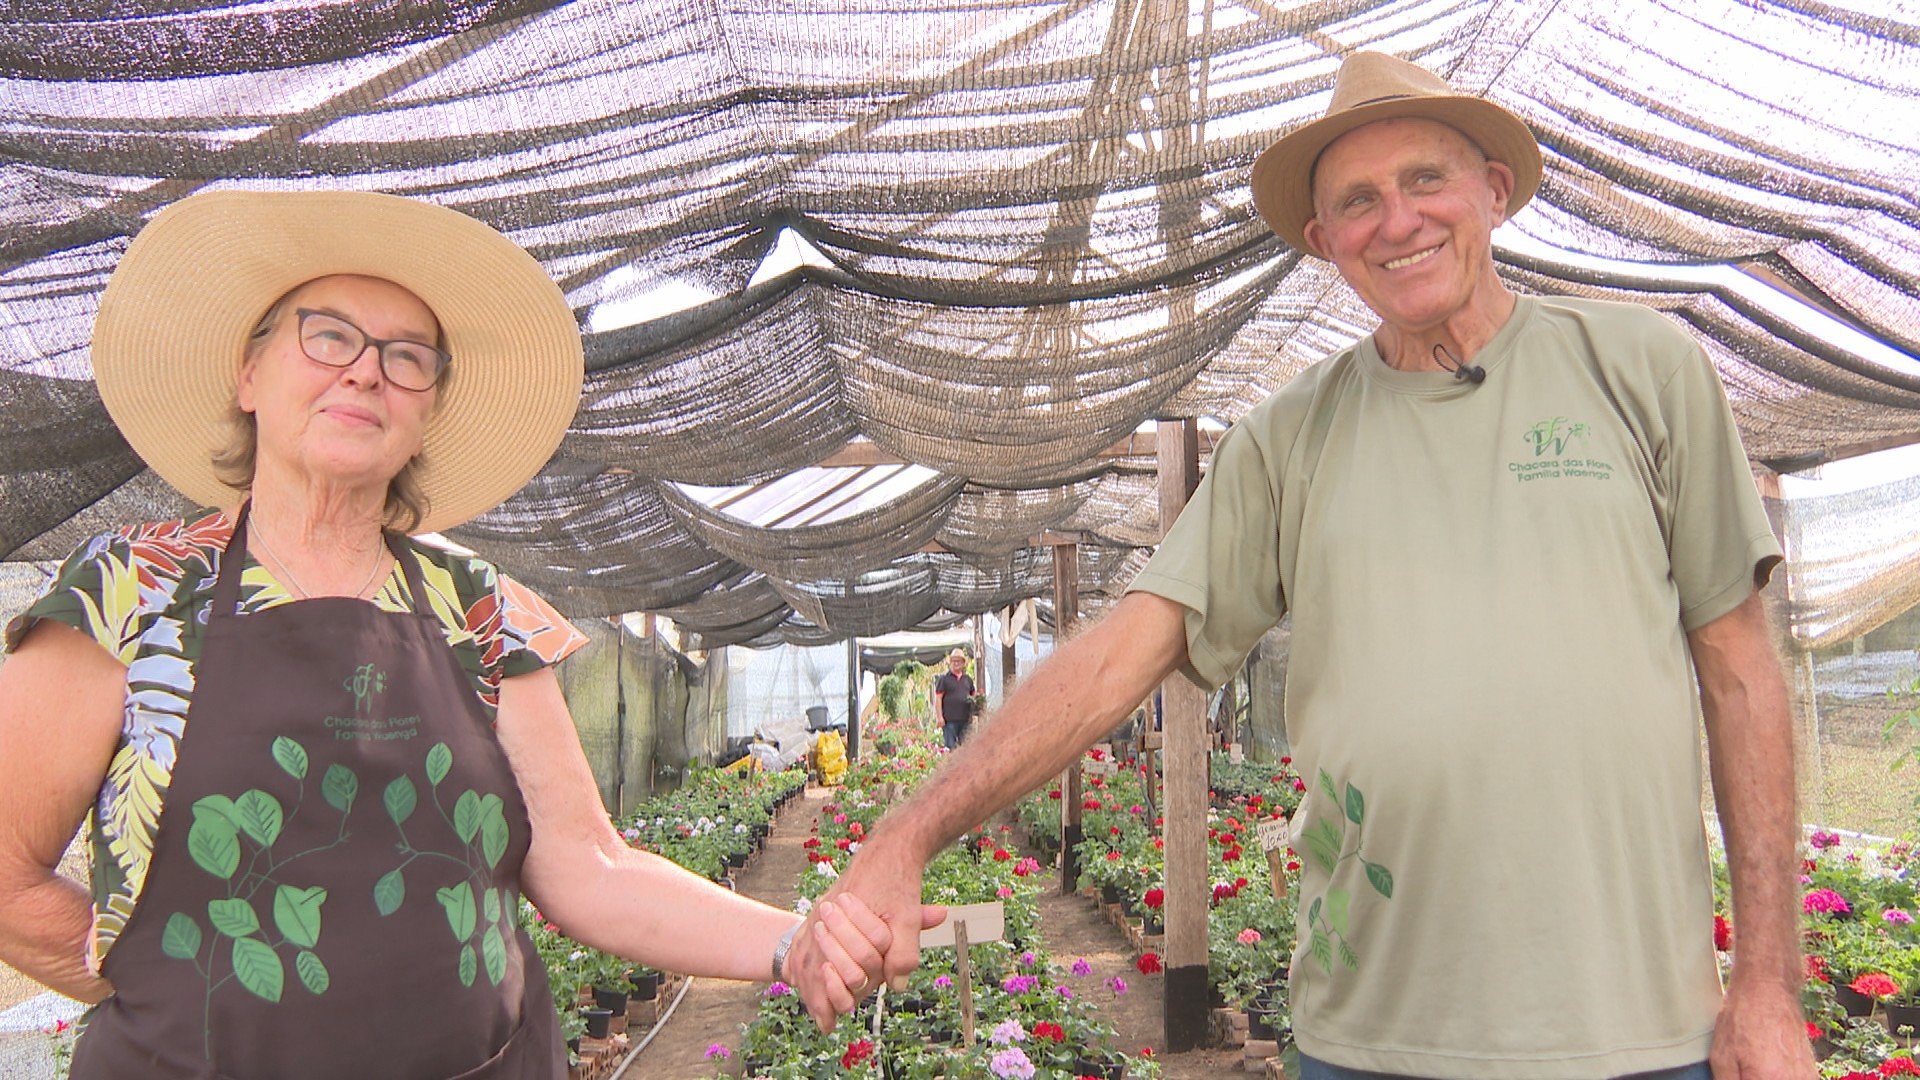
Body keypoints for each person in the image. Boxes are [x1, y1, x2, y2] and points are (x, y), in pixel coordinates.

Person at [790, 51, 1814, 1080]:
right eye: (1357, 202)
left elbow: (1740, 674)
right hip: (1370, 1043)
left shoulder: (1641, 371)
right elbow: (1120, 658)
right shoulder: (1288, 439)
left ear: (1493, 192)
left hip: (1634, 1032)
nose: (1397, 220)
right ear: (1326, 244)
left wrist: (1768, 987)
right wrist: (906, 835)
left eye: (1426, 179)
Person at [0, 190, 889, 1077]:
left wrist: (794, 942)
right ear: (248, 374)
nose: (365, 372)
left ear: (427, 410)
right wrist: (161, 992)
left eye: (406, 357)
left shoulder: (481, 608)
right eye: (328, 335)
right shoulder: (136, 589)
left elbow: (592, 867)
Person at [932, 648, 978, 750]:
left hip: (965, 720)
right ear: (950, 663)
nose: (956, 663)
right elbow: (938, 698)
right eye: (954, 661)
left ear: (963, 663)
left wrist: (975, 712)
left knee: (966, 749)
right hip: (949, 721)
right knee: (950, 749)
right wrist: (940, 718)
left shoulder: (968, 680)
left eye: (958, 661)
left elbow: (973, 697)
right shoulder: (944, 679)